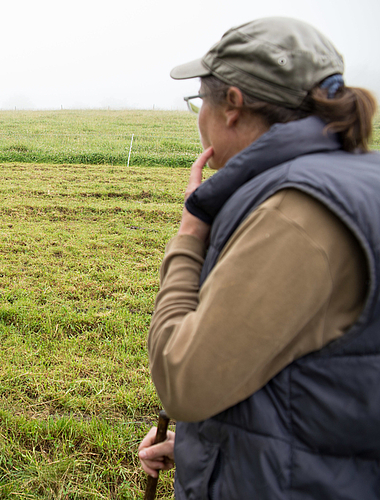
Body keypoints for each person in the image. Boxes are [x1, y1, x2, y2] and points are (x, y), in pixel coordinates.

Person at [137, 17, 379, 499]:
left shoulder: (295, 212)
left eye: (198, 105)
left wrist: (190, 231)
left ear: (232, 106)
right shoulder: (355, 184)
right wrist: (204, 445)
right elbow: (327, 376)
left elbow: (184, 380)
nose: (198, 121)